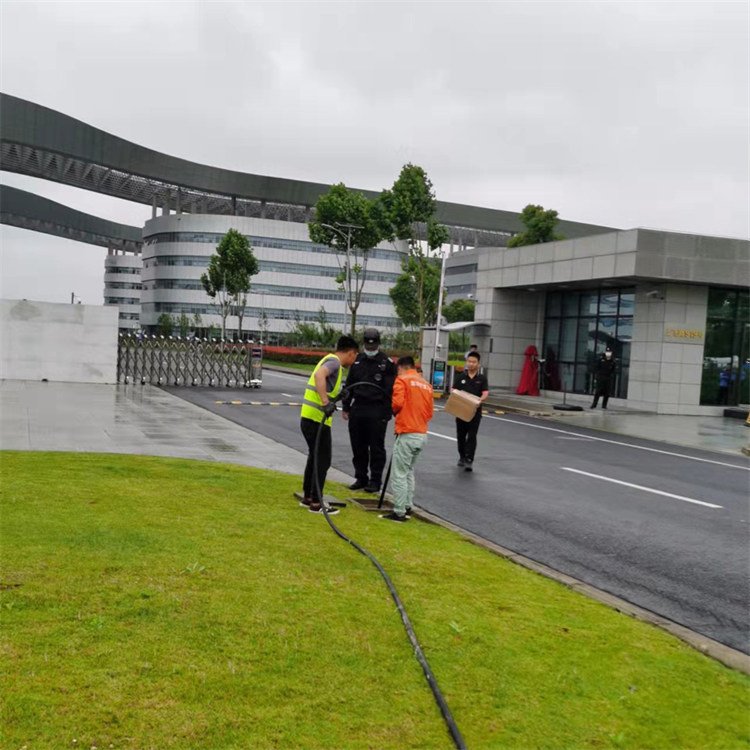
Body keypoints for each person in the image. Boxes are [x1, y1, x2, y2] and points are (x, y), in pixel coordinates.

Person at [299, 335, 359, 514]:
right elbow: (320, 376)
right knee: (323, 460)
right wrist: (326, 403)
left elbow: (325, 383)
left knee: (314, 457)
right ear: (350, 353)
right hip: (317, 419)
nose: (354, 360)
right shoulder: (334, 362)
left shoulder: (328, 360)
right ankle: (316, 502)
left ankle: (308, 497)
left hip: (309, 417)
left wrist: (338, 396)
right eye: (355, 356)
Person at [342, 328, 396, 493]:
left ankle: (375, 480)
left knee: (376, 447)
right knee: (358, 446)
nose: (370, 349)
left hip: (377, 410)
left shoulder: (386, 363)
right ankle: (361, 477)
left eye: (373, 346)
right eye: (368, 346)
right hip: (358, 408)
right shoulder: (358, 361)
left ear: (378, 344)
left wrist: (386, 414)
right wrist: (346, 406)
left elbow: (390, 391)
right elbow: (349, 385)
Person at [380, 355, 434, 523]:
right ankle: (408, 505)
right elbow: (430, 412)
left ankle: (399, 511)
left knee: (399, 474)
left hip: (407, 432)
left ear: (400, 367)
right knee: (409, 471)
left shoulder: (402, 380)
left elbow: (397, 404)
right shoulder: (426, 385)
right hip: (421, 434)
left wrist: (398, 414)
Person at [452, 351, 489, 471]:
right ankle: (462, 457)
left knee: (472, 436)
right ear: (466, 362)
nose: (471, 364)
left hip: (475, 412)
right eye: (469, 361)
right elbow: (453, 389)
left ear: (478, 364)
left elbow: (485, 393)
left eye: (474, 362)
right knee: (461, 435)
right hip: (461, 411)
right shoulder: (461, 377)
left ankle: (469, 460)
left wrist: (479, 400)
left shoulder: (482, 378)